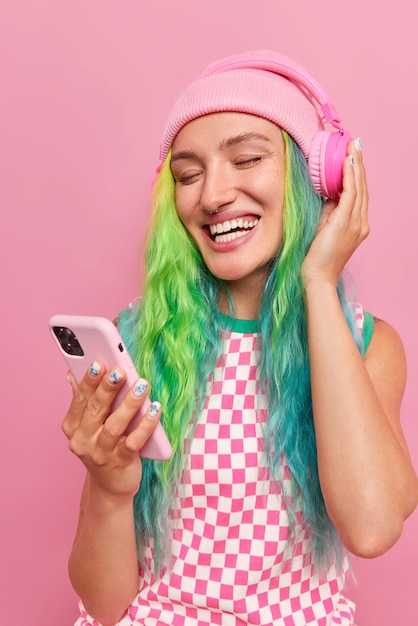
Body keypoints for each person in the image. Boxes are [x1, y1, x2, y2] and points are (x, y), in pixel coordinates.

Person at [62, 51, 418, 626]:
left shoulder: (366, 345)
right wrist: (108, 487)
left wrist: (319, 281)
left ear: (314, 177)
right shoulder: (136, 342)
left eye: (247, 158)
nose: (212, 196)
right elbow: (105, 607)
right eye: (188, 174)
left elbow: (373, 527)